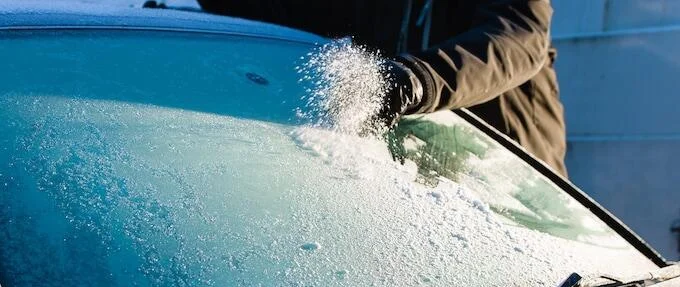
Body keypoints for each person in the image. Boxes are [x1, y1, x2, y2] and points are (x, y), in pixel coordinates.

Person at [199, 0, 567, 177]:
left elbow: (518, 38)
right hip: (425, 177)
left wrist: (413, 79)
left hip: (515, 173)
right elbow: (295, 11)